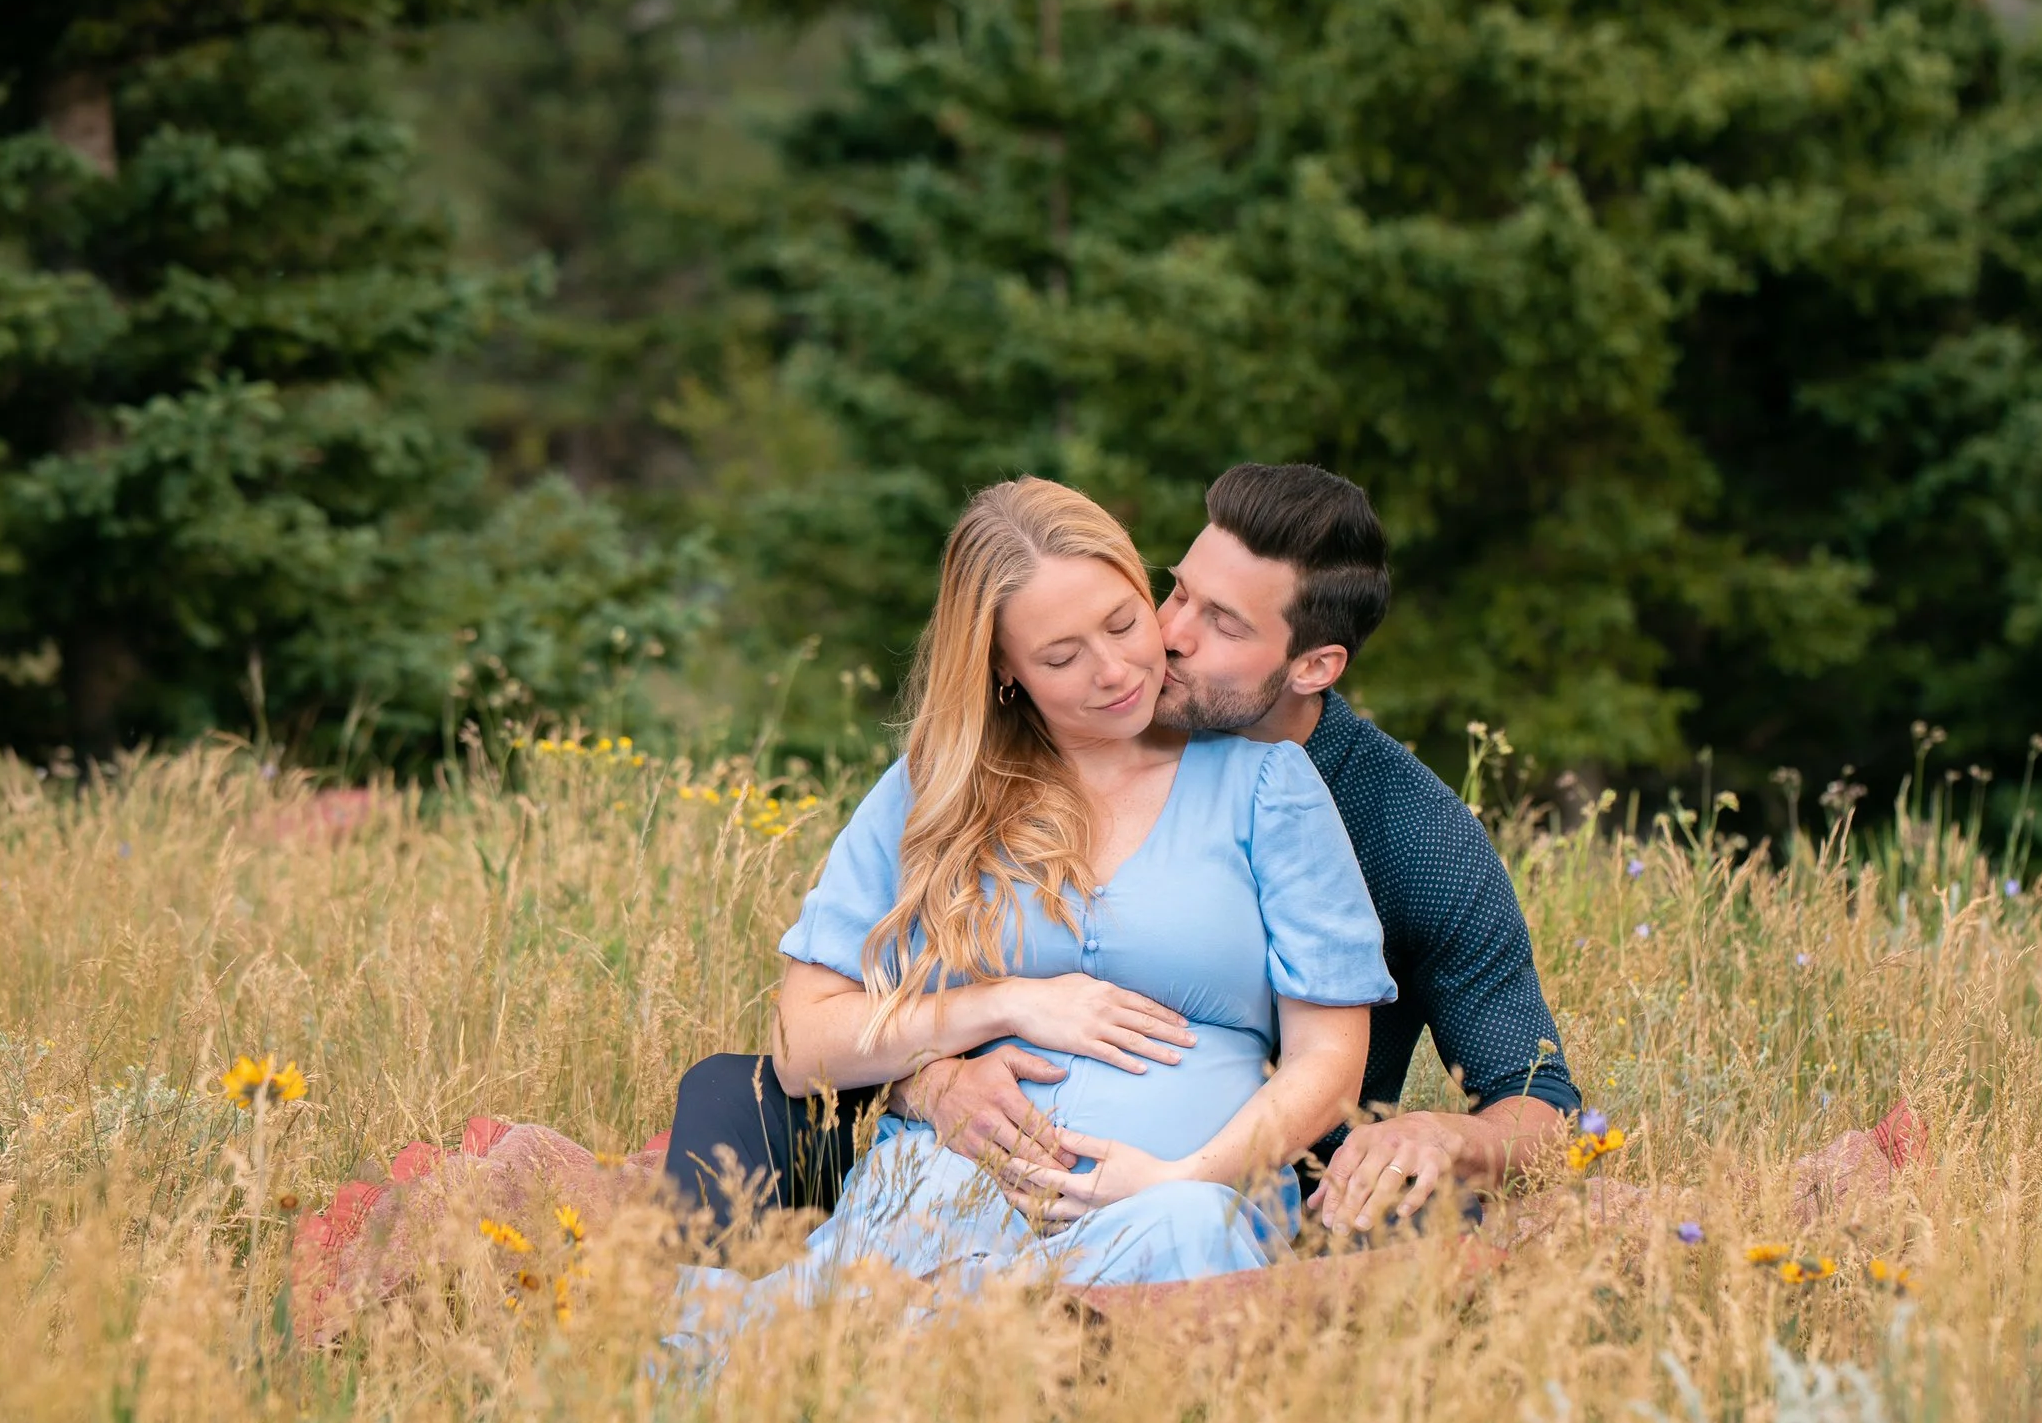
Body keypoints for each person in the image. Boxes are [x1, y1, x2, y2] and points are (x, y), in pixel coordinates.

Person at [664, 464, 1581, 1244]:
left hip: (1254, 1175)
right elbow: (827, 1019)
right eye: (1174, 590)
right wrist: (932, 1079)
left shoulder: (1408, 832)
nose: (1164, 638)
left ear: (1313, 666)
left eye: (1223, 624)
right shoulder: (984, 761)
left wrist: (1439, 1135)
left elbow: (1533, 1093)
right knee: (728, 1097)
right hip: (964, 1140)